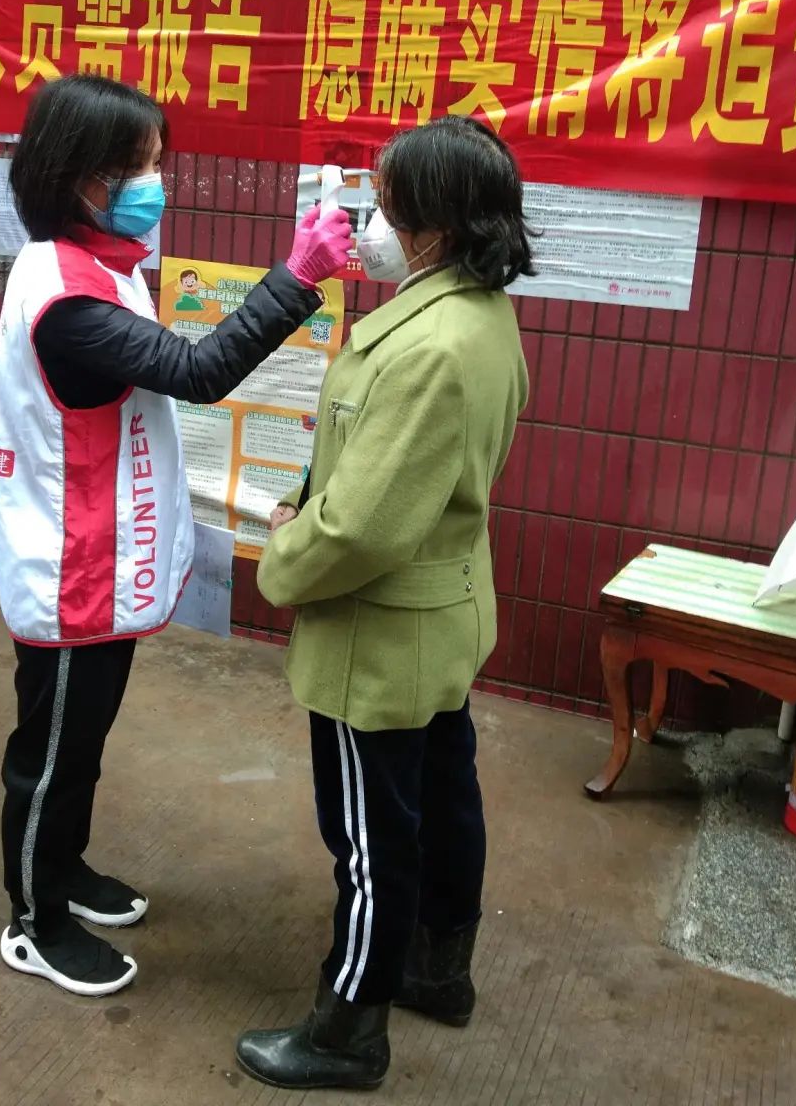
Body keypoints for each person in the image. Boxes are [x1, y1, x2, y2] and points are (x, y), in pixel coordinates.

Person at [0, 73, 351, 998]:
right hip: (68, 566)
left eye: (157, 162)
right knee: (51, 756)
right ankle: (34, 919)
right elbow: (196, 372)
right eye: (140, 167)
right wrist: (299, 276)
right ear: (83, 178)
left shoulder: (99, 258)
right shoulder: (67, 299)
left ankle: (65, 868)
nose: (157, 183)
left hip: (105, 551)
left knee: (83, 741)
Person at [235, 115, 532, 1090]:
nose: (368, 224)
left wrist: (284, 558)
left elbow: (362, 530)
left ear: (434, 227)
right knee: (443, 797)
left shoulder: (430, 346)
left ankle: (348, 1030)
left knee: (371, 838)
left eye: (383, 206)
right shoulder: (479, 316)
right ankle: (439, 970)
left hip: (382, 632)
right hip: (440, 614)